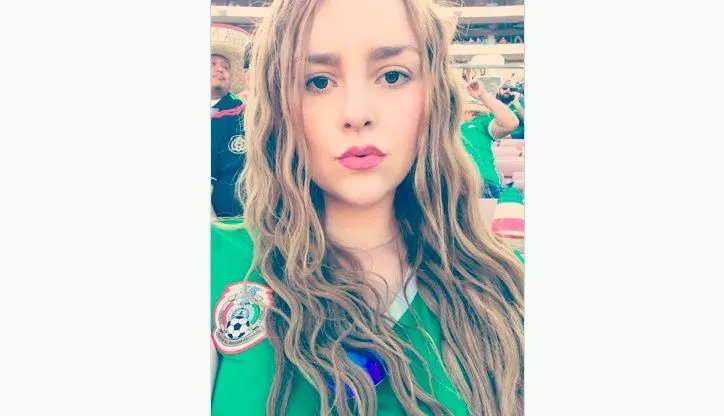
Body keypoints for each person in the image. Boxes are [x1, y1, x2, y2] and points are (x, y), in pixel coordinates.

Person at [211, 0, 525, 415]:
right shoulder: (214, 263)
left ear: (434, 96)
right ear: (278, 105)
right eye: (318, 81)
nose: (356, 114)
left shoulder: (508, 286)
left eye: (393, 76)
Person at [460, 78, 520, 225]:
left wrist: (483, 95)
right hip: (447, 185)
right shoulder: (437, 124)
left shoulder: (481, 122)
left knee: (490, 232)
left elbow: (511, 123)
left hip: (483, 183)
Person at [211, 24, 250, 217]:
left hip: (236, 220)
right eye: (212, 64)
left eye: (225, 67)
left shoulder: (243, 112)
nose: (220, 70)